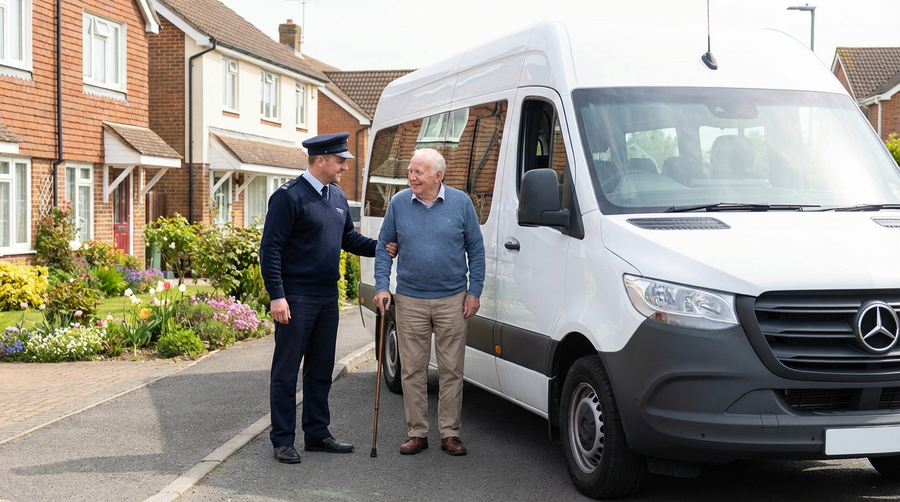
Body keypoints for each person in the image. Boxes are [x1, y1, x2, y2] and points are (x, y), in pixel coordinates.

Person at [260, 132, 396, 464]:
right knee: (287, 371)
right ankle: (282, 439)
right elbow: (270, 249)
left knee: (321, 369)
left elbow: (347, 238)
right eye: (340, 161)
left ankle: (317, 434)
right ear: (320, 160)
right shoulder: (288, 198)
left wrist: (383, 246)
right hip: (295, 298)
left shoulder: (335, 195)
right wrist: (277, 296)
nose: (344, 168)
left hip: (326, 297)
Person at [373, 148, 485, 456]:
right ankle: (417, 432)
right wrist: (382, 286)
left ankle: (450, 433)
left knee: (451, 370)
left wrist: (474, 291)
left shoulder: (461, 203)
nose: (411, 177)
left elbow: (476, 249)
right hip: (410, 299)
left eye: (418, 172)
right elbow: (384, 246)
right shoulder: (398, 204)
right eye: (410, 171)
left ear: (438, 175)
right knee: (413, 370)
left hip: (452, 299)